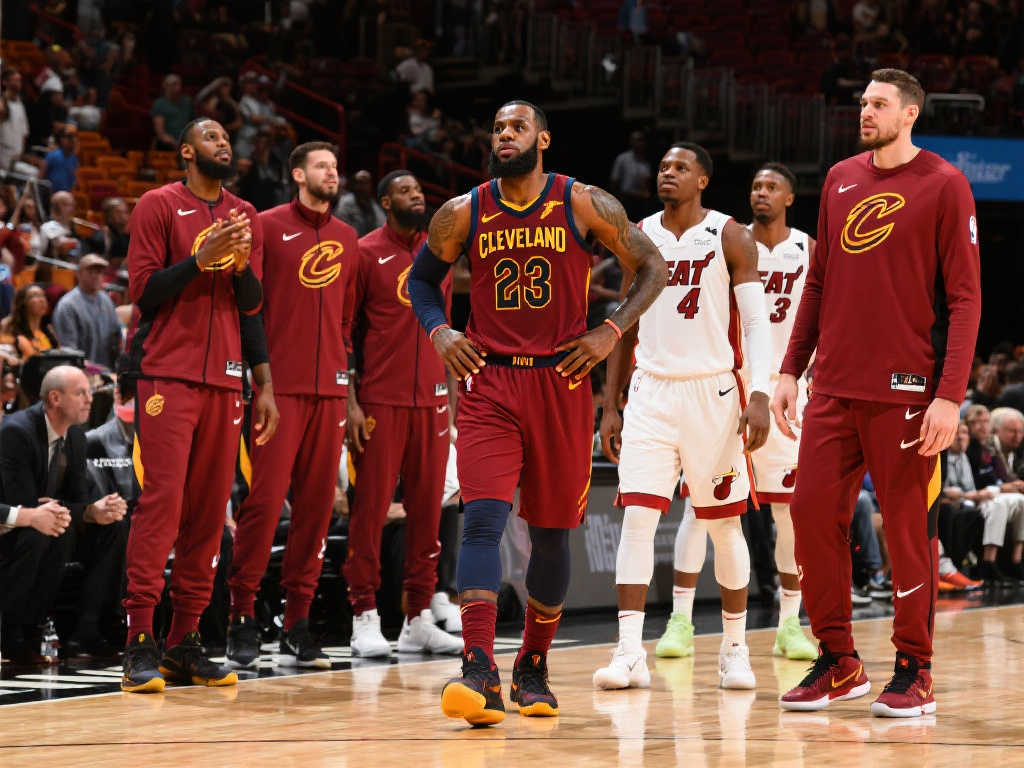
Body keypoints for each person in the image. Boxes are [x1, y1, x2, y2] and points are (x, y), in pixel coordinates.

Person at [409, 100, 667, 726]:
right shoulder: (463, 211)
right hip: (490, 381)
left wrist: (610, 330)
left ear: (542, 139)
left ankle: (533, 665)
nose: (504, 135)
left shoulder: (582, 202)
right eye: (497, 127)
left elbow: (652, 268)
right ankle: (478, 667)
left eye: (517, 127)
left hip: (562, 379)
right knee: (481, 522)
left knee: (551, 535)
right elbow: (421, 282)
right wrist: (440, 330)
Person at [772, 69, 981, 717]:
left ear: (910, 113)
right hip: (833, 387)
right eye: (863, 102)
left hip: (907, 393)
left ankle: (915, 668)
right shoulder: (839, 177)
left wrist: (949, 395)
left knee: (908, 533)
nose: (866, 111)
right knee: (810, 516)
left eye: (880, 104)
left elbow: (966, 299)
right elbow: (817, 283)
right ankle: (838, 660)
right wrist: (789, 369)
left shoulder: (945, 183)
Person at [592, 143, 772, 692]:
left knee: (724, 525)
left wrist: (759, 394)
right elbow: (624, 321)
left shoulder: (729, 234)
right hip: (650, 392)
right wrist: (610, 404)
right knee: (638, 520)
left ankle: (735, 649)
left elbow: (756, 323)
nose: (668, 173)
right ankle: (629, 653)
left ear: (703, 181)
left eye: (681, 168)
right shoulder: (639, 234)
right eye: (664, 167)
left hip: (712, 392)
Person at [120, 117, 275, 693]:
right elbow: (144, 291)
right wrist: (200, 258)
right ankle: (139, 638)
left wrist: (263, 382)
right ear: (186, 151)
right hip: (167, 372)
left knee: (211, 512)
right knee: (162, 504)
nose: (223, 144)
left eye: (227, 138)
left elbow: (253, 305)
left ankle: (184, 640)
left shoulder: (245, 214)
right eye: (211, 138)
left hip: (227, 380)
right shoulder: (157, 205)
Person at [226, 142, 355, 670]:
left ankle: (297, 623)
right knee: (263, 504)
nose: (332, 173)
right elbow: (250, 304)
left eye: (335, 166)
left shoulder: (348, 237)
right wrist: (261, 380)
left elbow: (346, 320)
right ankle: (241, 617)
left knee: (317, 509)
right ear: (298, 174)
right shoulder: (267, 224)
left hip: (331, 390)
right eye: (322, 166)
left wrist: (347, 386)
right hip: (278, 389)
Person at [345, 169, 462, 658]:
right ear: (385, 202)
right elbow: (346, 331)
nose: (417, 195)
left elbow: (446, 333)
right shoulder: (364, 252)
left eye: (419, 189)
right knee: (370, 513)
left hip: (431, 402)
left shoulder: (439, 256)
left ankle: (417, 618)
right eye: (405, 191)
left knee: (428, 516)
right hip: (379, 401)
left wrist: (451, 410)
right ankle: (364, 615)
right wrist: (351, 403)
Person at [0, 366, 126, 662]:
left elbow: (76, 500)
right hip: (12, 528)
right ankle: (18, 634)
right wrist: (82, 511)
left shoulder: (77, 437)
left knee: (115, 526)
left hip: (47, 521)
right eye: (80, 393)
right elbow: (26, 504)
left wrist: (96, 511)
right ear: (55, 398)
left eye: (89, 392)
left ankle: (87, 631)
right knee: (47, 530)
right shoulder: (16, 432)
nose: (90, 399)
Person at [744, 162, 818, 660]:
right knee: (705, 511)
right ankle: (681, 620)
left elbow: (828, 311)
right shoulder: (731, 241)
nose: (762, 193)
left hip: (790, 387)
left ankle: (790, 624)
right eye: (756, 186)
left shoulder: (808, 247)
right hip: (736, 385)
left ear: (790, 197)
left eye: (772, 187)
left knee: (789, 511)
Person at [946, 420, 1024, 584]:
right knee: (998, 504)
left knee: (1021, 500)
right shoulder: (946, 456)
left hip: (976, 497)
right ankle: (989, 562)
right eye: (956, 433)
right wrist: (981, 492)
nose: (960, 437)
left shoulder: (965, 455)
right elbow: (946, 490)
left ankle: (1017, 560)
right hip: (967, 500)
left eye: (964, 433)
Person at [52, 253, 121, 369]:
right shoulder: (68, 305)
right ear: (78, 274)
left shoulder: (106, 300)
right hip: (79, 372)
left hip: (107, 371)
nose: (95, 276)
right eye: (90, 271)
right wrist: (93, 370)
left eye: (99, 272)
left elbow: (116, 336)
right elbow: (69, 351)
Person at [4, 283, 58, 360]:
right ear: (23, 303)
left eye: (43, 295)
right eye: (35, 296)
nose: (42, 300)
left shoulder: (49, 330)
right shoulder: (13, 334)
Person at [609, 130, 652, 221]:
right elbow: (614, 180)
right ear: (631, 142)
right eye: (638, 140)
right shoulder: (622, 159)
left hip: (640, 201)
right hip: (625, 199)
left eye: (642, 140)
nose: (640, 143)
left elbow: (647, 183)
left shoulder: (645, 162)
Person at [334, 170, 385, 237]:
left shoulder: (373, 203)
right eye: (360, 182)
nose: (363, 186)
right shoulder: (345, 202)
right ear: (354, 185)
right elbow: (341, 226)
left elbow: (381, 224)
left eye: (366, 182)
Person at [84, 197, 131, 266]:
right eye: (118, 212)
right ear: (108, 216)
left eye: (125, 212)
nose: (123, 216)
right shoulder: (100, 237)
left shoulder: (129, 235)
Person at [0, 69, 31, 172]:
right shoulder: (2, 103)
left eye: (19, 80)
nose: (18, 83)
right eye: (15, 80)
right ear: (5, 82)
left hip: (17, 153)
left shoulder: (20, 104)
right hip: (3, 152)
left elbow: (24, 131)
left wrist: (21, 152)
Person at [151, 74, 193, 151]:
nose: (176, 87)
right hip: (169, 143)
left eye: (178, 84)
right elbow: (160, 132)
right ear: (165, 86)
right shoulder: (160, 104)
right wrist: (173, 142)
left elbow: (193, 123)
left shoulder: (187, 102)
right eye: (173, 84)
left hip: (186, 140)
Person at [40, 190, 81, 261]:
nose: (72, 208)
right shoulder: (48, 227)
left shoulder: (77, 228)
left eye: (73, 204)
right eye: (68, 204)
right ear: (57, 207)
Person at [42, 124, 80, 193]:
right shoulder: (53, 155)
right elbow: (41, 178)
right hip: (52, 194)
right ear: (61, 139)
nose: (73, 140)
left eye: (75, 136)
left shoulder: (74, 159)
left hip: (67, 194)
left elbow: (74, 183)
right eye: (69, 136)